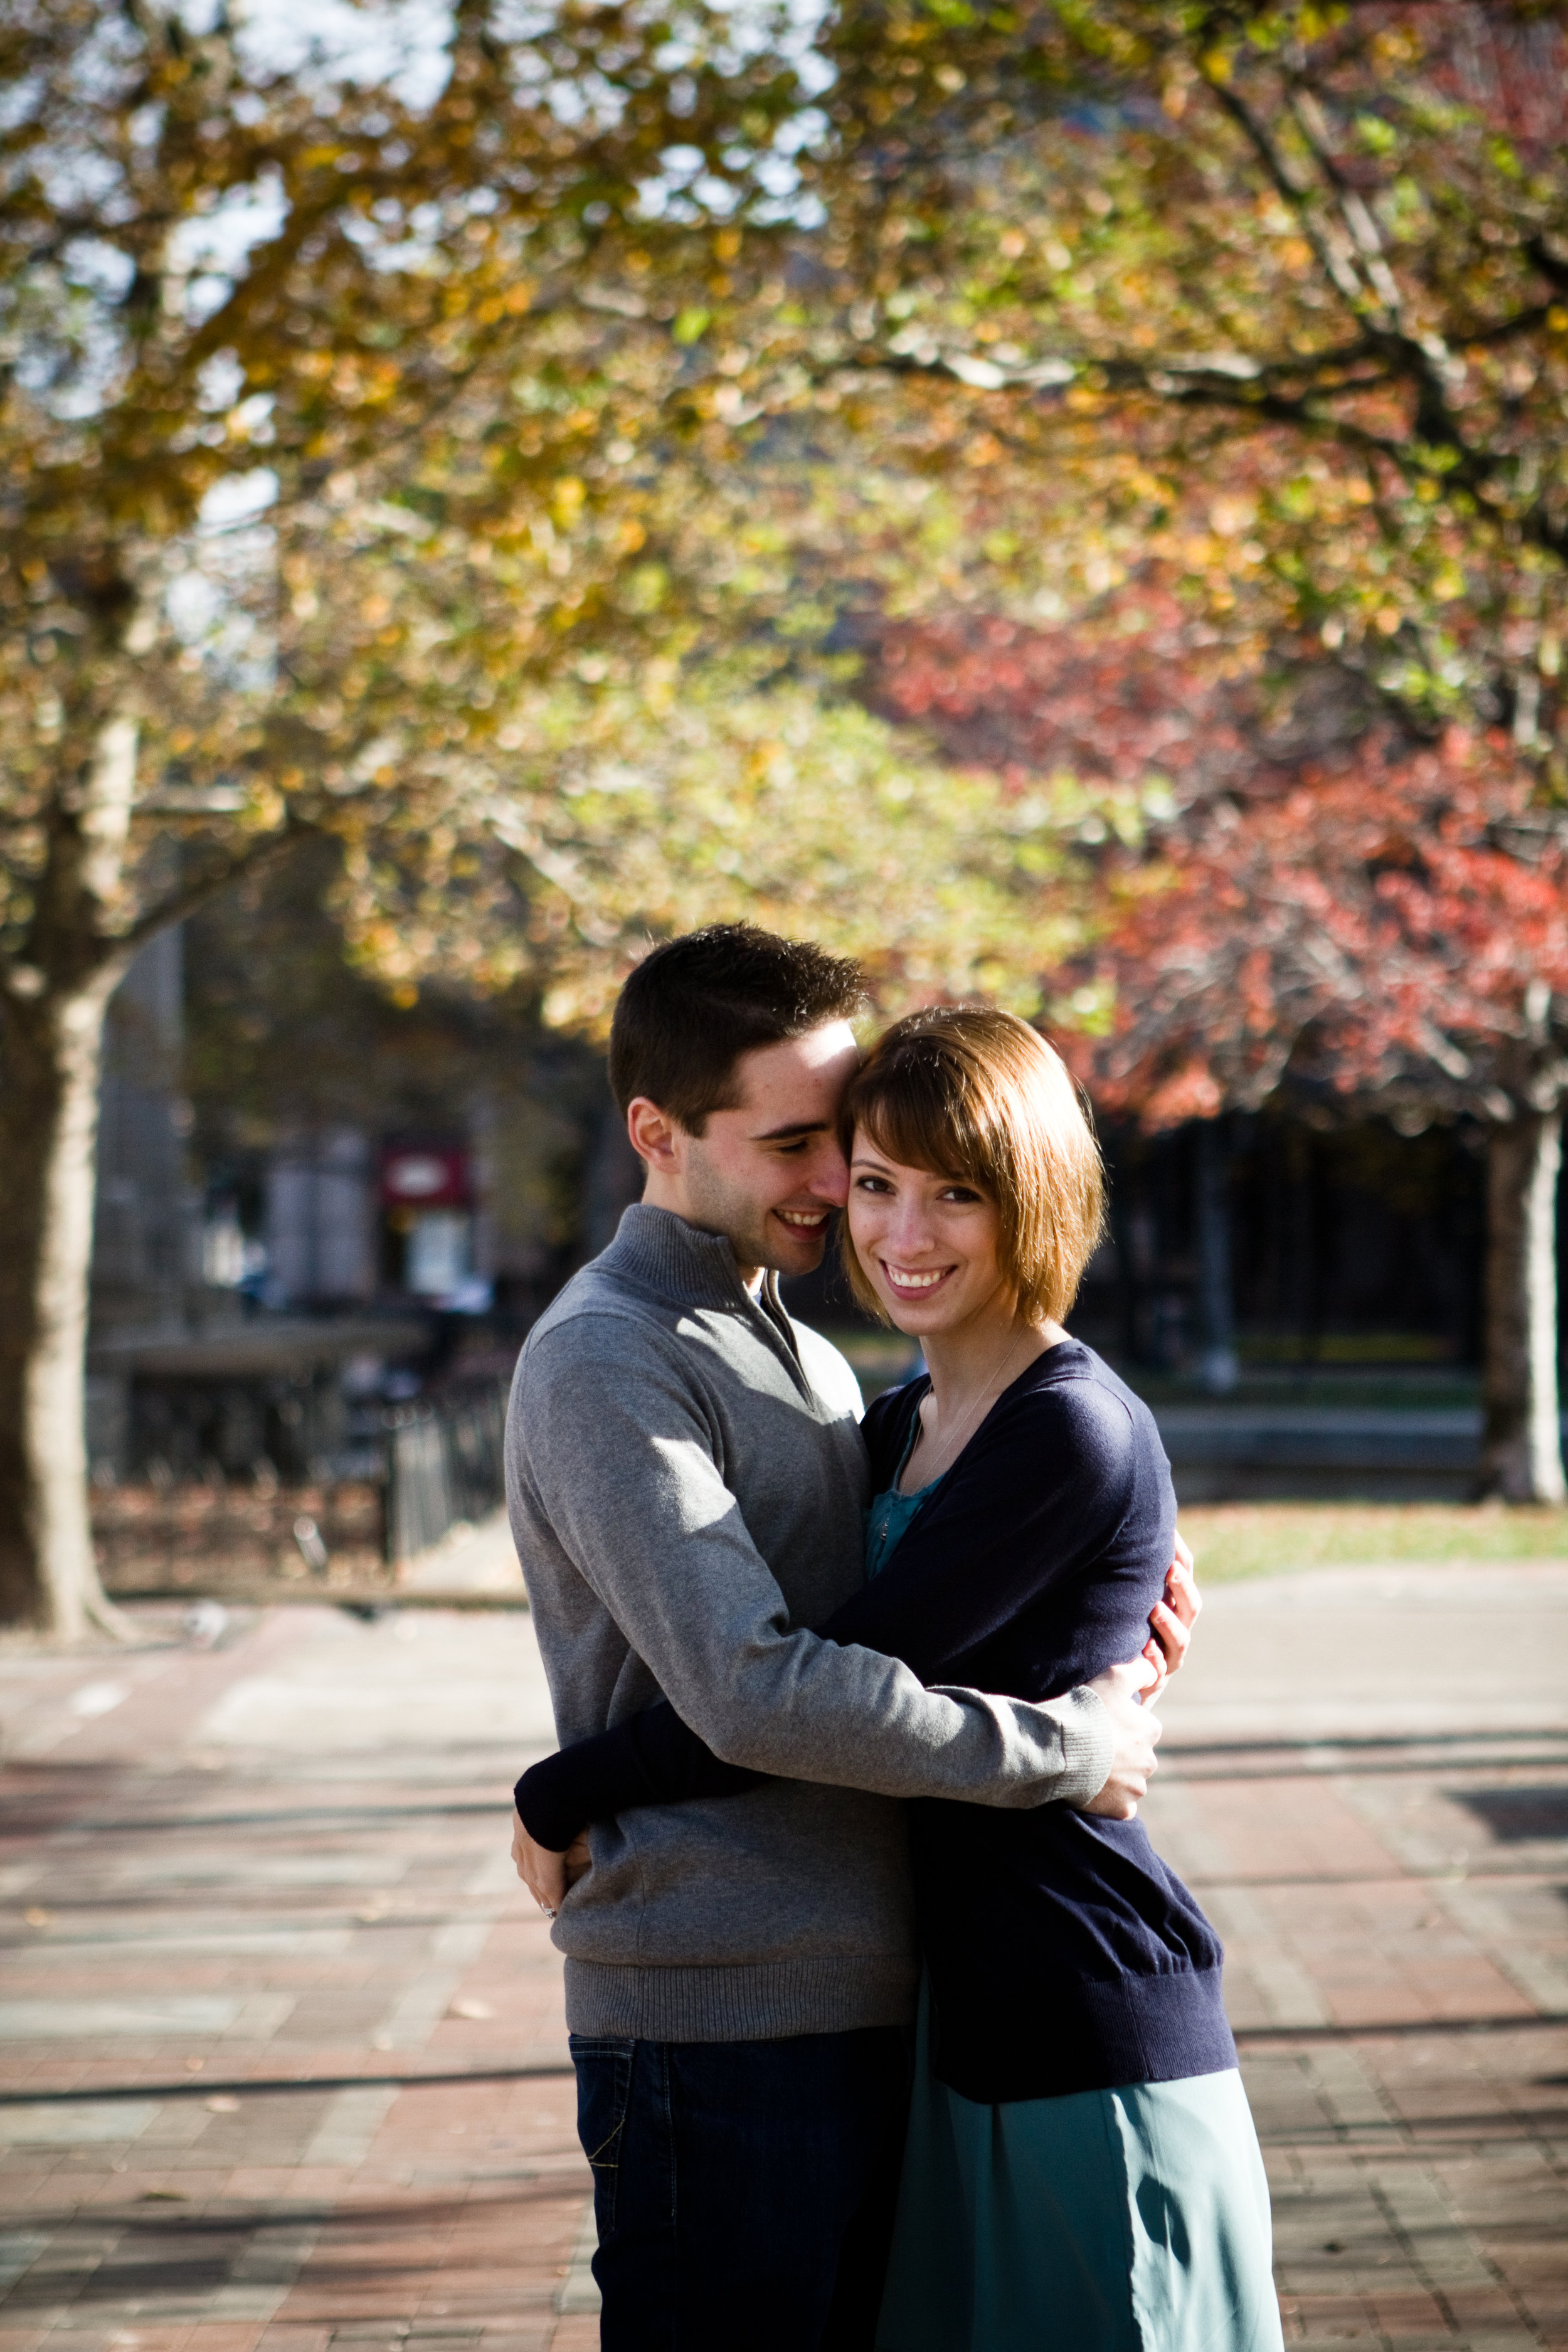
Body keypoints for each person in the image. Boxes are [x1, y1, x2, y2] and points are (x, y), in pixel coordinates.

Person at [516, 1002, 1281, 2352]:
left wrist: (562, 1784)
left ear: (1031, 1196)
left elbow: (780, 1691)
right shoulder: (893, 1420)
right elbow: (790, 1672)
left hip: (1073, 1996)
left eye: (954, 1196)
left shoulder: (1063, 1431)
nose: (890, 1229)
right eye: (870, 1181)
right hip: (950, 2017)